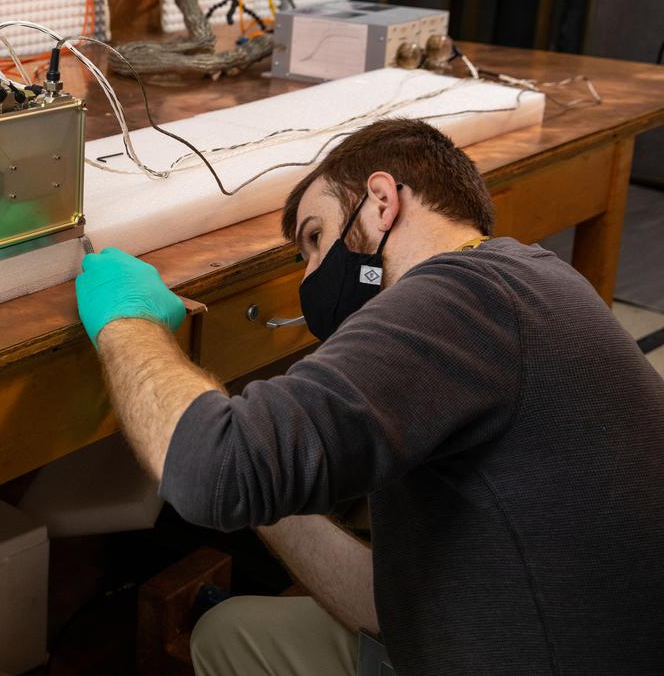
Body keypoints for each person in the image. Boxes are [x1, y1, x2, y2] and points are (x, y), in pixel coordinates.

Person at [74, 118, 664, 676]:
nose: (310, 277)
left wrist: (128, 320)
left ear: (382, 201)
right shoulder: (529, 277)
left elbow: (209, 471)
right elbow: (385, 603)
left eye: (315, 238)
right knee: (229, 633)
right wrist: (254, 452)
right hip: (538, 636)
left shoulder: (459, 300)